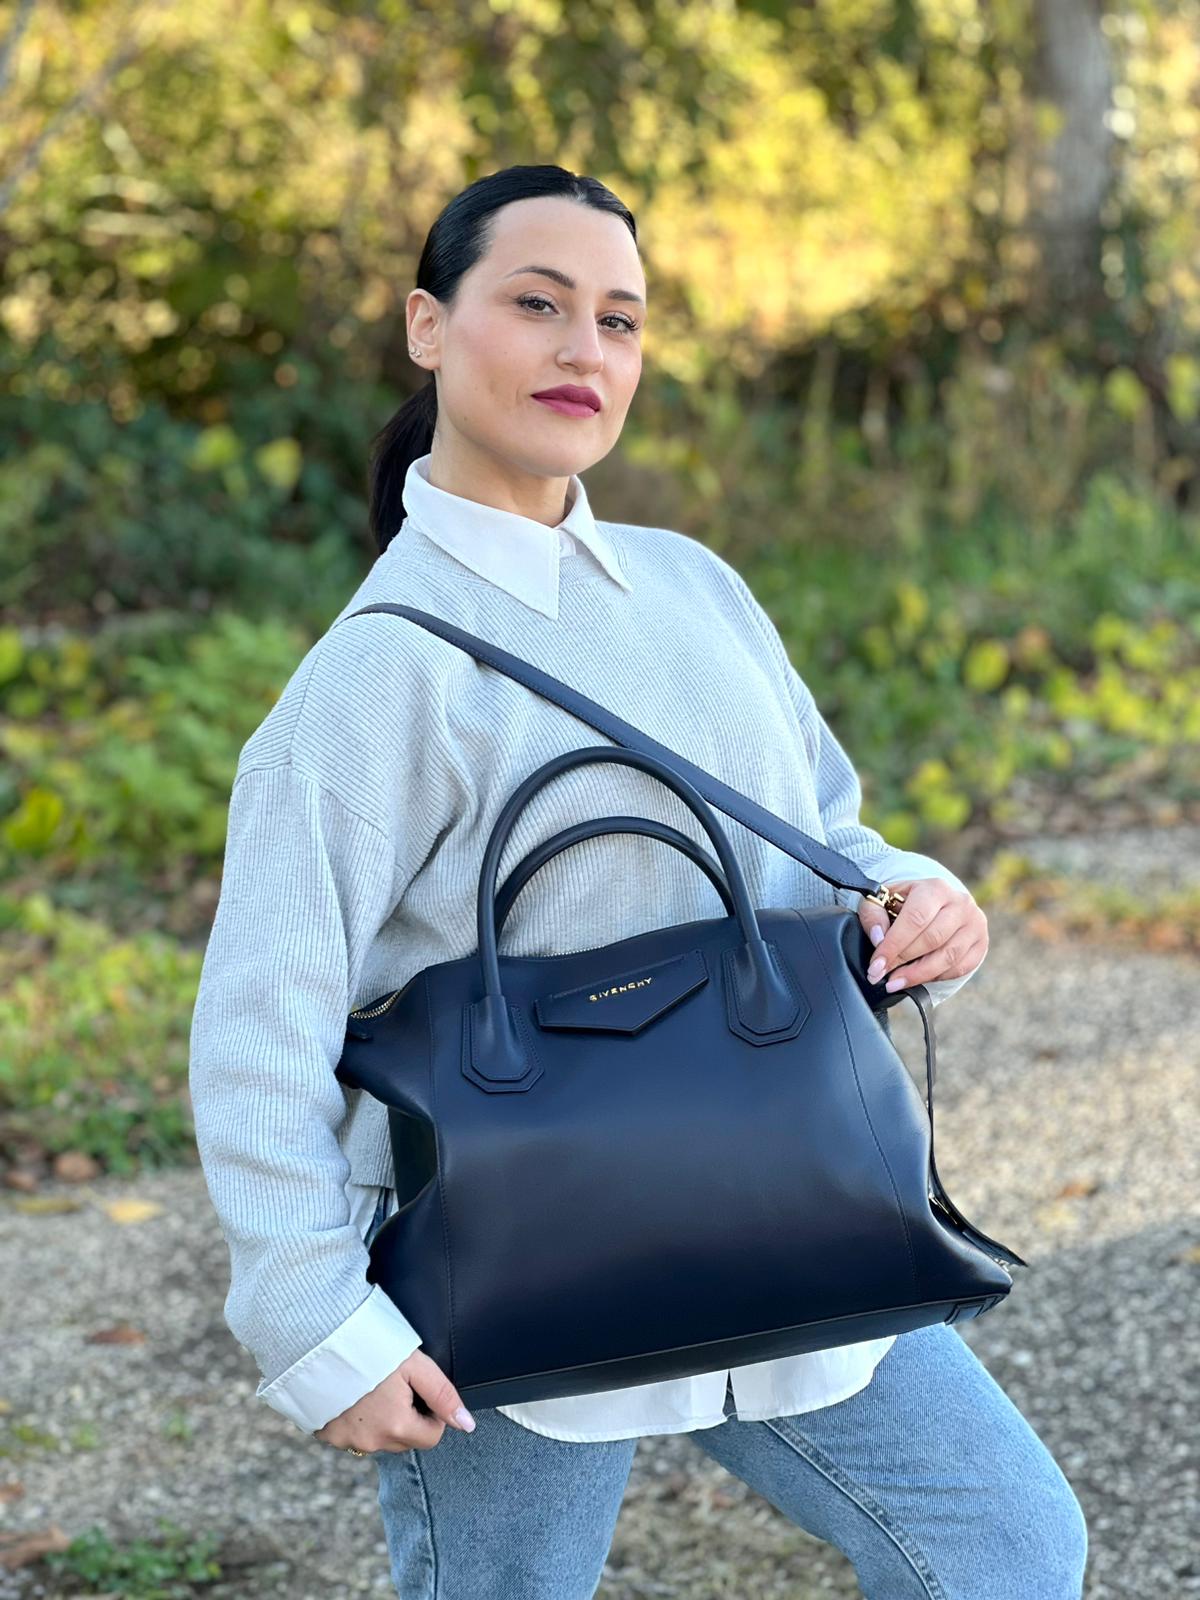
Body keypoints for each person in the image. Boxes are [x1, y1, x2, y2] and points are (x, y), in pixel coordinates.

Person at [188, 163, 1088, 1598]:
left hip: (786, 1206)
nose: (583, 351)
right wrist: (314, 1320)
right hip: (512, 1258)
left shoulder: (694, 586)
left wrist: (915, 898)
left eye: (618, 318)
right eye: (536, 304)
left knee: (1008, 1543)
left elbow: (822, 832)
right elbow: (262, 1020)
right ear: (428, 326)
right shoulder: (375, 678)